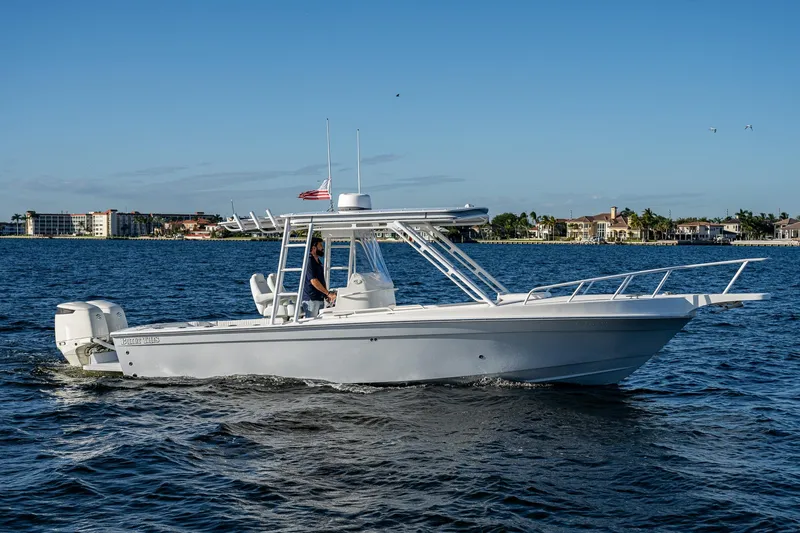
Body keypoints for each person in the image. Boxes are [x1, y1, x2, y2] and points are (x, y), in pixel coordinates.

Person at [301, 237, 336, 317]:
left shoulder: (318, 262)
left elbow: (321, 280)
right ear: (314, 248)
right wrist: (328, 293)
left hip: (319, 298)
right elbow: (313, 281)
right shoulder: (309, 261)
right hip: (311, 299)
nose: (322, 248)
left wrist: (326, 295)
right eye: (320, 246)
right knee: (310, 322)